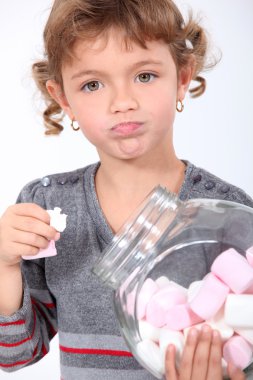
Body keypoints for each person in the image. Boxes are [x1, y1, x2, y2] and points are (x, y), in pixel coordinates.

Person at [0, 0, 252, 379]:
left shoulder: (229, 215)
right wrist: (4, 264)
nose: (122, 102)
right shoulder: (46, 206)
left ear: (182, 76)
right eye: (93, 84)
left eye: (145, 76)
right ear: (64, 99)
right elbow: (15, 354)